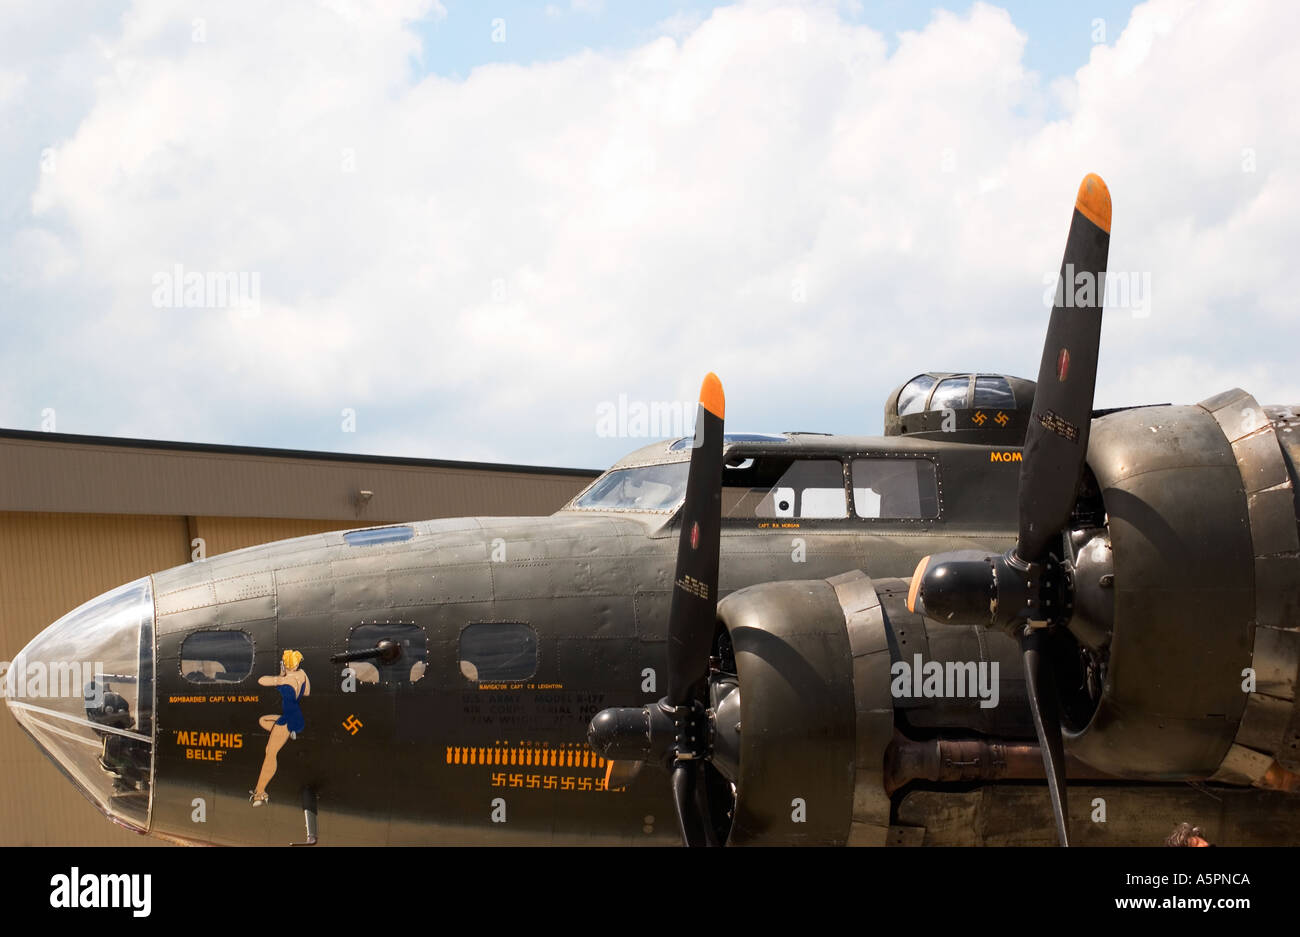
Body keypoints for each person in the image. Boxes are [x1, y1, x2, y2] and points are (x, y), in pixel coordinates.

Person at [250, 649, 309, 806]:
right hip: (296, 717)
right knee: (264, 720)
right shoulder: (303, 675)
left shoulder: (285, 680)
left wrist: (281, 676)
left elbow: (261, 680)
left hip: (288, 720)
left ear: (286, 664)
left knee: (270, 752)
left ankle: (260, 793)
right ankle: (290, 733)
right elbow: (307, 692)